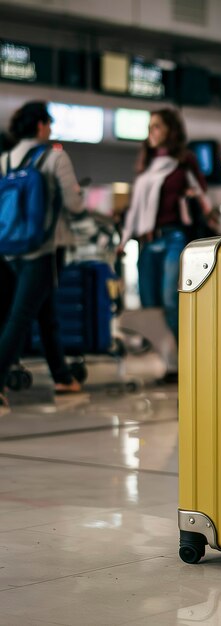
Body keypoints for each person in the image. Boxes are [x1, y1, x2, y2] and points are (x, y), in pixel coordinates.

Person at [0, 101, 83, 407]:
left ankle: (62, 376)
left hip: (9, 249)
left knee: (45, 315)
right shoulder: (53, 157)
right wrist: (79, 195)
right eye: (48, 123)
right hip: (44, 249)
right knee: (20, 317)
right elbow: (75, 205)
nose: (50, 129)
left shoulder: (6, 160)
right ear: (40, 126)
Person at [117, 109, 211, 353]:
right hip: (147, 241)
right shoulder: (147, 163)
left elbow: (201, 194)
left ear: (171, 130)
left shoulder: (183, 160)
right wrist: (124, 240)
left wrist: (192, 197)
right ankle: (165, 356)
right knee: (150, 303)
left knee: (171, 300)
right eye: (150, 127)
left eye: (157, 126)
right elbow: (136, 207)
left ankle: (182, 357)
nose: (152, 132)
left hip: (173, 237)